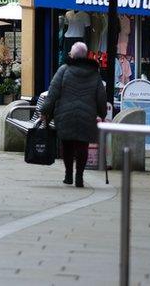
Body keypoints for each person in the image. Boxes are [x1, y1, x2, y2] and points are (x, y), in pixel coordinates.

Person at [38, 41, 107, 188]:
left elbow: (53, 93)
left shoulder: (64, 70)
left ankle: (68, 175)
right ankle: (79, 177)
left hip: (65, 115)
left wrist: (44, 111)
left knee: (67, 145)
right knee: (83, 146)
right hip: (87, 116)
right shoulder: (94, 73)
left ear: (72, 55)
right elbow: (101, 96)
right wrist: (102, 113)